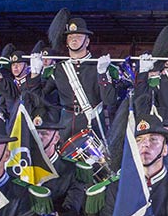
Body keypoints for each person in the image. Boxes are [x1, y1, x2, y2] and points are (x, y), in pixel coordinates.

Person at [29, 9, 116, 141]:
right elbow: (38, 99)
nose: (74, 40)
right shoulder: (59, 69)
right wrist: (35, 74)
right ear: (66, 42)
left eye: (79, 37)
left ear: (87, 42)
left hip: (93, 125)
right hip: (66, 126)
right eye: (70, 37)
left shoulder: (97, 66)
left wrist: (103, 74)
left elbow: (110, 101)